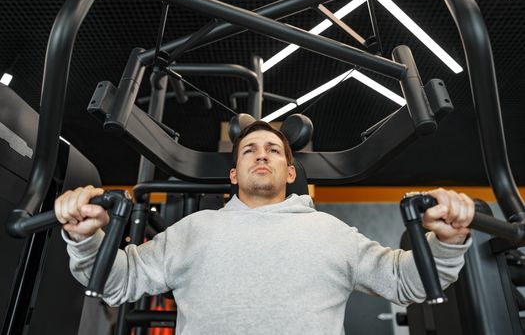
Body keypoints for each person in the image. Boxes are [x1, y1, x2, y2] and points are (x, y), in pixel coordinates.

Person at [56, 121, 474, 334]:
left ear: (290, 171)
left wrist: (448, 241)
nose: (262, 155)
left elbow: (408, 282)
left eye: (273, 150)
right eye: (249, 151)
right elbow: (115, 283)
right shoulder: (193, 229)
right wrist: (85, 238)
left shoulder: (329, 231)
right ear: (234, 174)